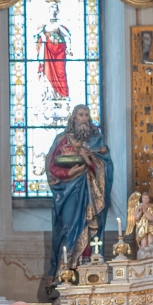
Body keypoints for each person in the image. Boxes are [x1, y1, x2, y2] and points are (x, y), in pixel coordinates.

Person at [45, 104, 114, 281]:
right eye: (81, 115)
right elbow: (52, 167)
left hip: (91, 193)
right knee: (68, 228)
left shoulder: (96, 141)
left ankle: (87, 271)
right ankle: (65, 273)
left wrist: (87, 159)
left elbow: (106, 167)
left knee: (90, 228)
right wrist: (70, 173)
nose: (84, 118)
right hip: (67, 193)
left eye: (86, 115)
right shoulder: (62, 140)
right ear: (74, 118)